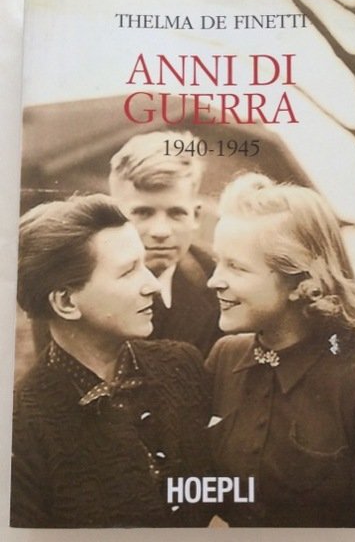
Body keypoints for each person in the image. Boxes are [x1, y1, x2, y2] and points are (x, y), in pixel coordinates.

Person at [205, 173, 355, 527]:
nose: (213, 280)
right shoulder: (225, 356)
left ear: (300, 283)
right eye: (217, 261)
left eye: (236, 266)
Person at [11, 194, 211, 528]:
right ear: (65, 302)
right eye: (128, 272)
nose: (152, 285)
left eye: (143, 264)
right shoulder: (21, 428)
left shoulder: (183, 364)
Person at [109, 130, 221, 356]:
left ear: (196, 216)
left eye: (176, 213)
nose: (160, 231)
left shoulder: (219, 281)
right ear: (112, 214)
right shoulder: (78, 282)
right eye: (142, 213)